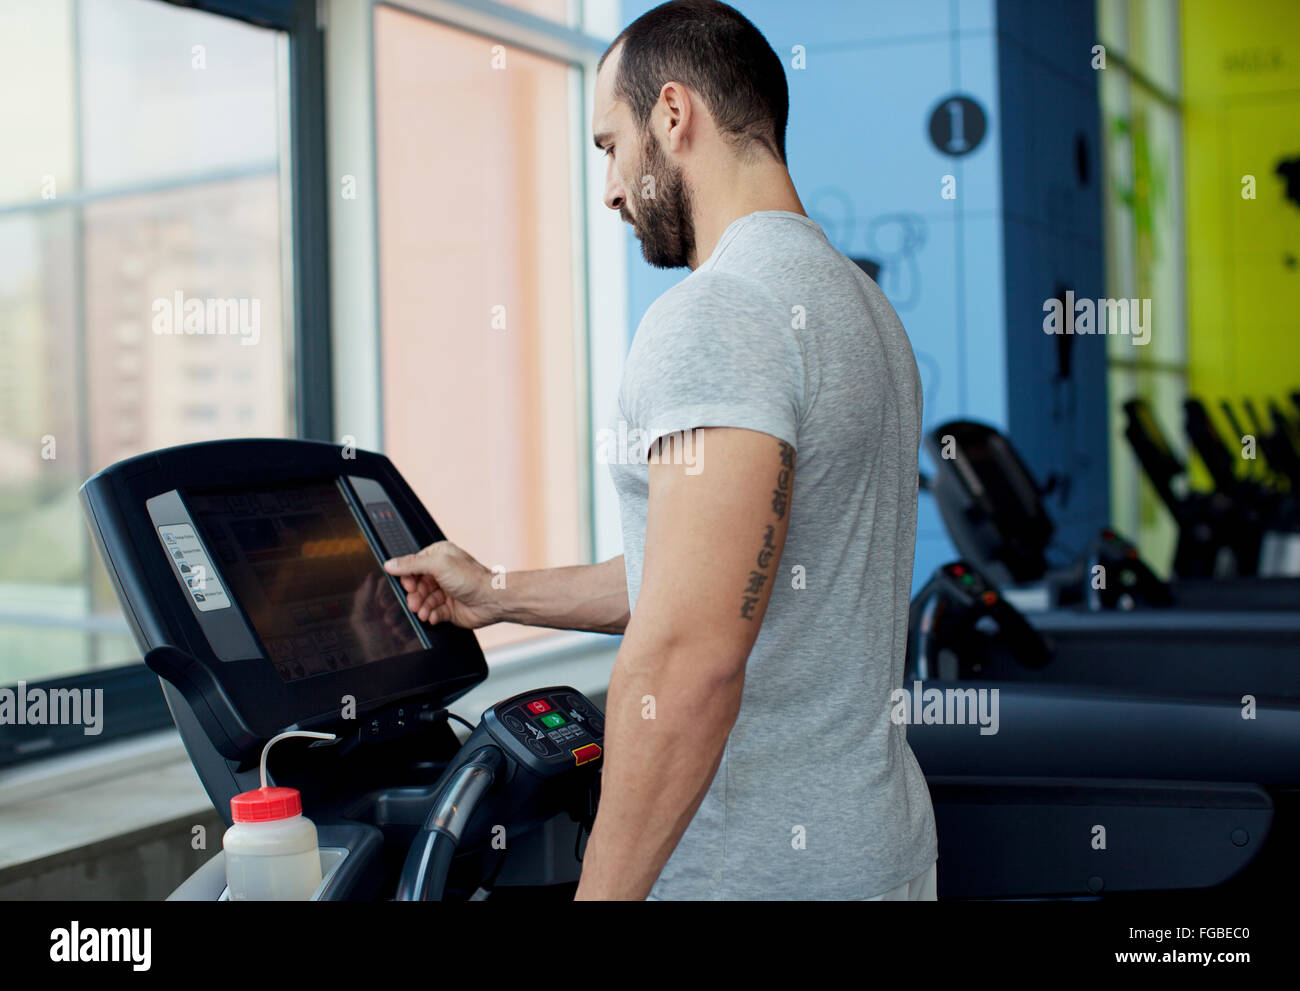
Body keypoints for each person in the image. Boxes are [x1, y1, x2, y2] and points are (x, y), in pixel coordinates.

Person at [384, 0, 937, 901]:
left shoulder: (716, 313)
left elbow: (689, 651)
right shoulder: (859, 307)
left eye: (609, 145)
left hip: (753, 871)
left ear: (673, 115)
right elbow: (711, 572)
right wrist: (499, 592)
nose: (607, 187)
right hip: (877, 850)